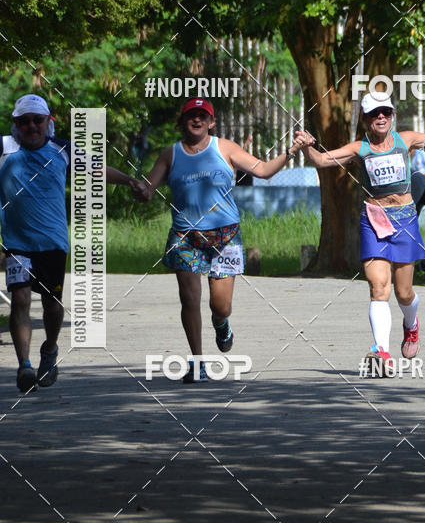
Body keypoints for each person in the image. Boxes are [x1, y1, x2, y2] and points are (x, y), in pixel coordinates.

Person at [303, 92, 425, 371]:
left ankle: (411, 324)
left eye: (386, 112)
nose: (381, 117)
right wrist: (307, 145)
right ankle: (382, 352)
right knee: (379, 287)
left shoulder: (407, 140)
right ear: (365, 120)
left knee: (404, 293)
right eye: (374, 114)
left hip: (405, 219)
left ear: (391, 116)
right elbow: (321, 160)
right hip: (374, 220)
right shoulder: (359, 148)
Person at [134, 97, 311, 383]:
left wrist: (292, 151)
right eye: (191, 115)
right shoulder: (171, 154)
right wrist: (140, 189)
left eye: (203, 116)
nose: (197, 119)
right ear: (182, 121)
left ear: (211, 122)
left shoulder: (225, 148)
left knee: (220, 305)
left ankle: (221, 323)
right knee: (189, 298)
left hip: (225, 235)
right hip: (185, 236)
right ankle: (198, 362)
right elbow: (148, 189)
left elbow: (263, 171)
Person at [0, 94, 138, 393]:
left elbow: (97, 169)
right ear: (16, 125)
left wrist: (129, 180)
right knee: (21, 299)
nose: (31, 126)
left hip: (53, 244)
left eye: (37, 120)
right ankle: (24, 366)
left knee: (51, 304)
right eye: (24, 122)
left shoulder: (61, 149)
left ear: (49, 122)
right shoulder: (4, 149)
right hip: (16, 244)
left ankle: (49, 350)